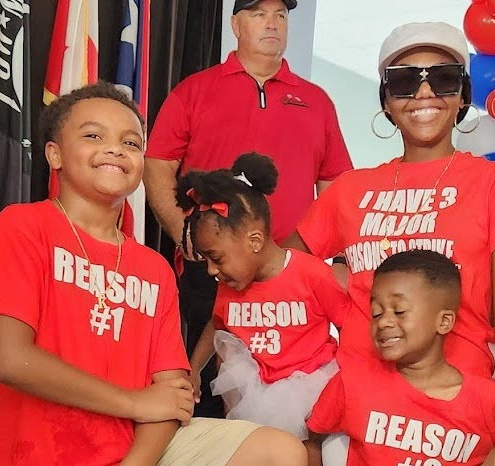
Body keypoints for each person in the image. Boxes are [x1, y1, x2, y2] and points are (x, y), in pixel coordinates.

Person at [0, 81, 307, 466]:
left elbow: (172, 395)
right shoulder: (21, 228)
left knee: (282, 456)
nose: (115, 149)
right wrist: (131, 403)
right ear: (54, 154)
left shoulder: (153, 268)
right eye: (93, 136)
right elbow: (9, 359)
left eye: (131, 142)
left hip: (137, 460)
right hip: (38, 465)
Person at [285, 22, 495, 466]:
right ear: (386, 100)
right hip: (358, 418)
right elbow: (282, 272)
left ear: (463, 94)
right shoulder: (349, 191)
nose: (424, 92)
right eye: (405, 81)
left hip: (454, 429)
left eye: (442, 78)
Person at [143, 0, 353, 418]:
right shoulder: (194, 90)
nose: (272, 23)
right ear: (236, 24)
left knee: (304, 402)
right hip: (215, 265)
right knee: (215, 396)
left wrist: (342, 256)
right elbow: (157, 164)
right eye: (259, 14)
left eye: (281, 15)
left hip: (296, 278)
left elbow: (337, 186)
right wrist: (182, 232)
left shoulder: (317, 100)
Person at [177, 153, 349, 443]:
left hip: (310, 387)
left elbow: (349, 326)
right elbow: (217, 326)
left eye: (216, 258)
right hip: (255, 391)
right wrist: (192, 371)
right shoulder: (229, 285)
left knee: (311, 452)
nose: (210, 270)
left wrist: (354, 380)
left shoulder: (312, 274)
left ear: (254, 241)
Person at [306, 250, 495, 466]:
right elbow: (312, 438)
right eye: (376, 312)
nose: (384, 321)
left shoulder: (487, 400)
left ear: (444, 322)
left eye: (399, 310)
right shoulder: (353, 382)